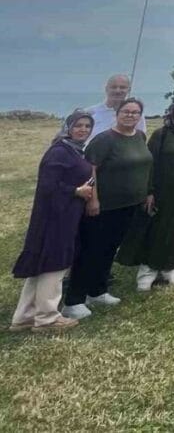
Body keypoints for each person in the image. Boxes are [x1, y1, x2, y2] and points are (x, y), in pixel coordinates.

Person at [63, 98, 153, 320]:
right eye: (126, 111)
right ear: (117, 113)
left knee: (109, 250)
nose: (131, 115)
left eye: (135, 112)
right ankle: (74, 300)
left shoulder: (140, 137)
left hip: (129, 205)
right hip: (105, 207)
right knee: (91, 250)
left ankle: (98, 291)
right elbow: (90, 170)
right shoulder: (104, 140)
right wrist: (93, 200)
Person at [10, 110, 96, 332]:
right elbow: (48, 186)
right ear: (68, 127)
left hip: (65, 213)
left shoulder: (73, 150)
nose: (83, 130)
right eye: (78, 125)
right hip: (56, 216)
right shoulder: (59, 152)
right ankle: (47, 318)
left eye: (87, 126)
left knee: (42, 266)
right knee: (54, 264)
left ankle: (24, 317)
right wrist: (76, 191)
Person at [117, 99, 174, 290]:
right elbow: (150, 164)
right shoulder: (161, 135)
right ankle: (148, 272)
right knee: (156, 230)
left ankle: (172, 269)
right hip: (163, 192)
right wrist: (149, 191)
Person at [87, 74, 148, 138]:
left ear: (129, 90)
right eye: (113, 87)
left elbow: (140, 138)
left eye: (122, 87)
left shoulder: (135, 115)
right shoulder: (91, 112)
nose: (117, 91)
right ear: (106, 89)